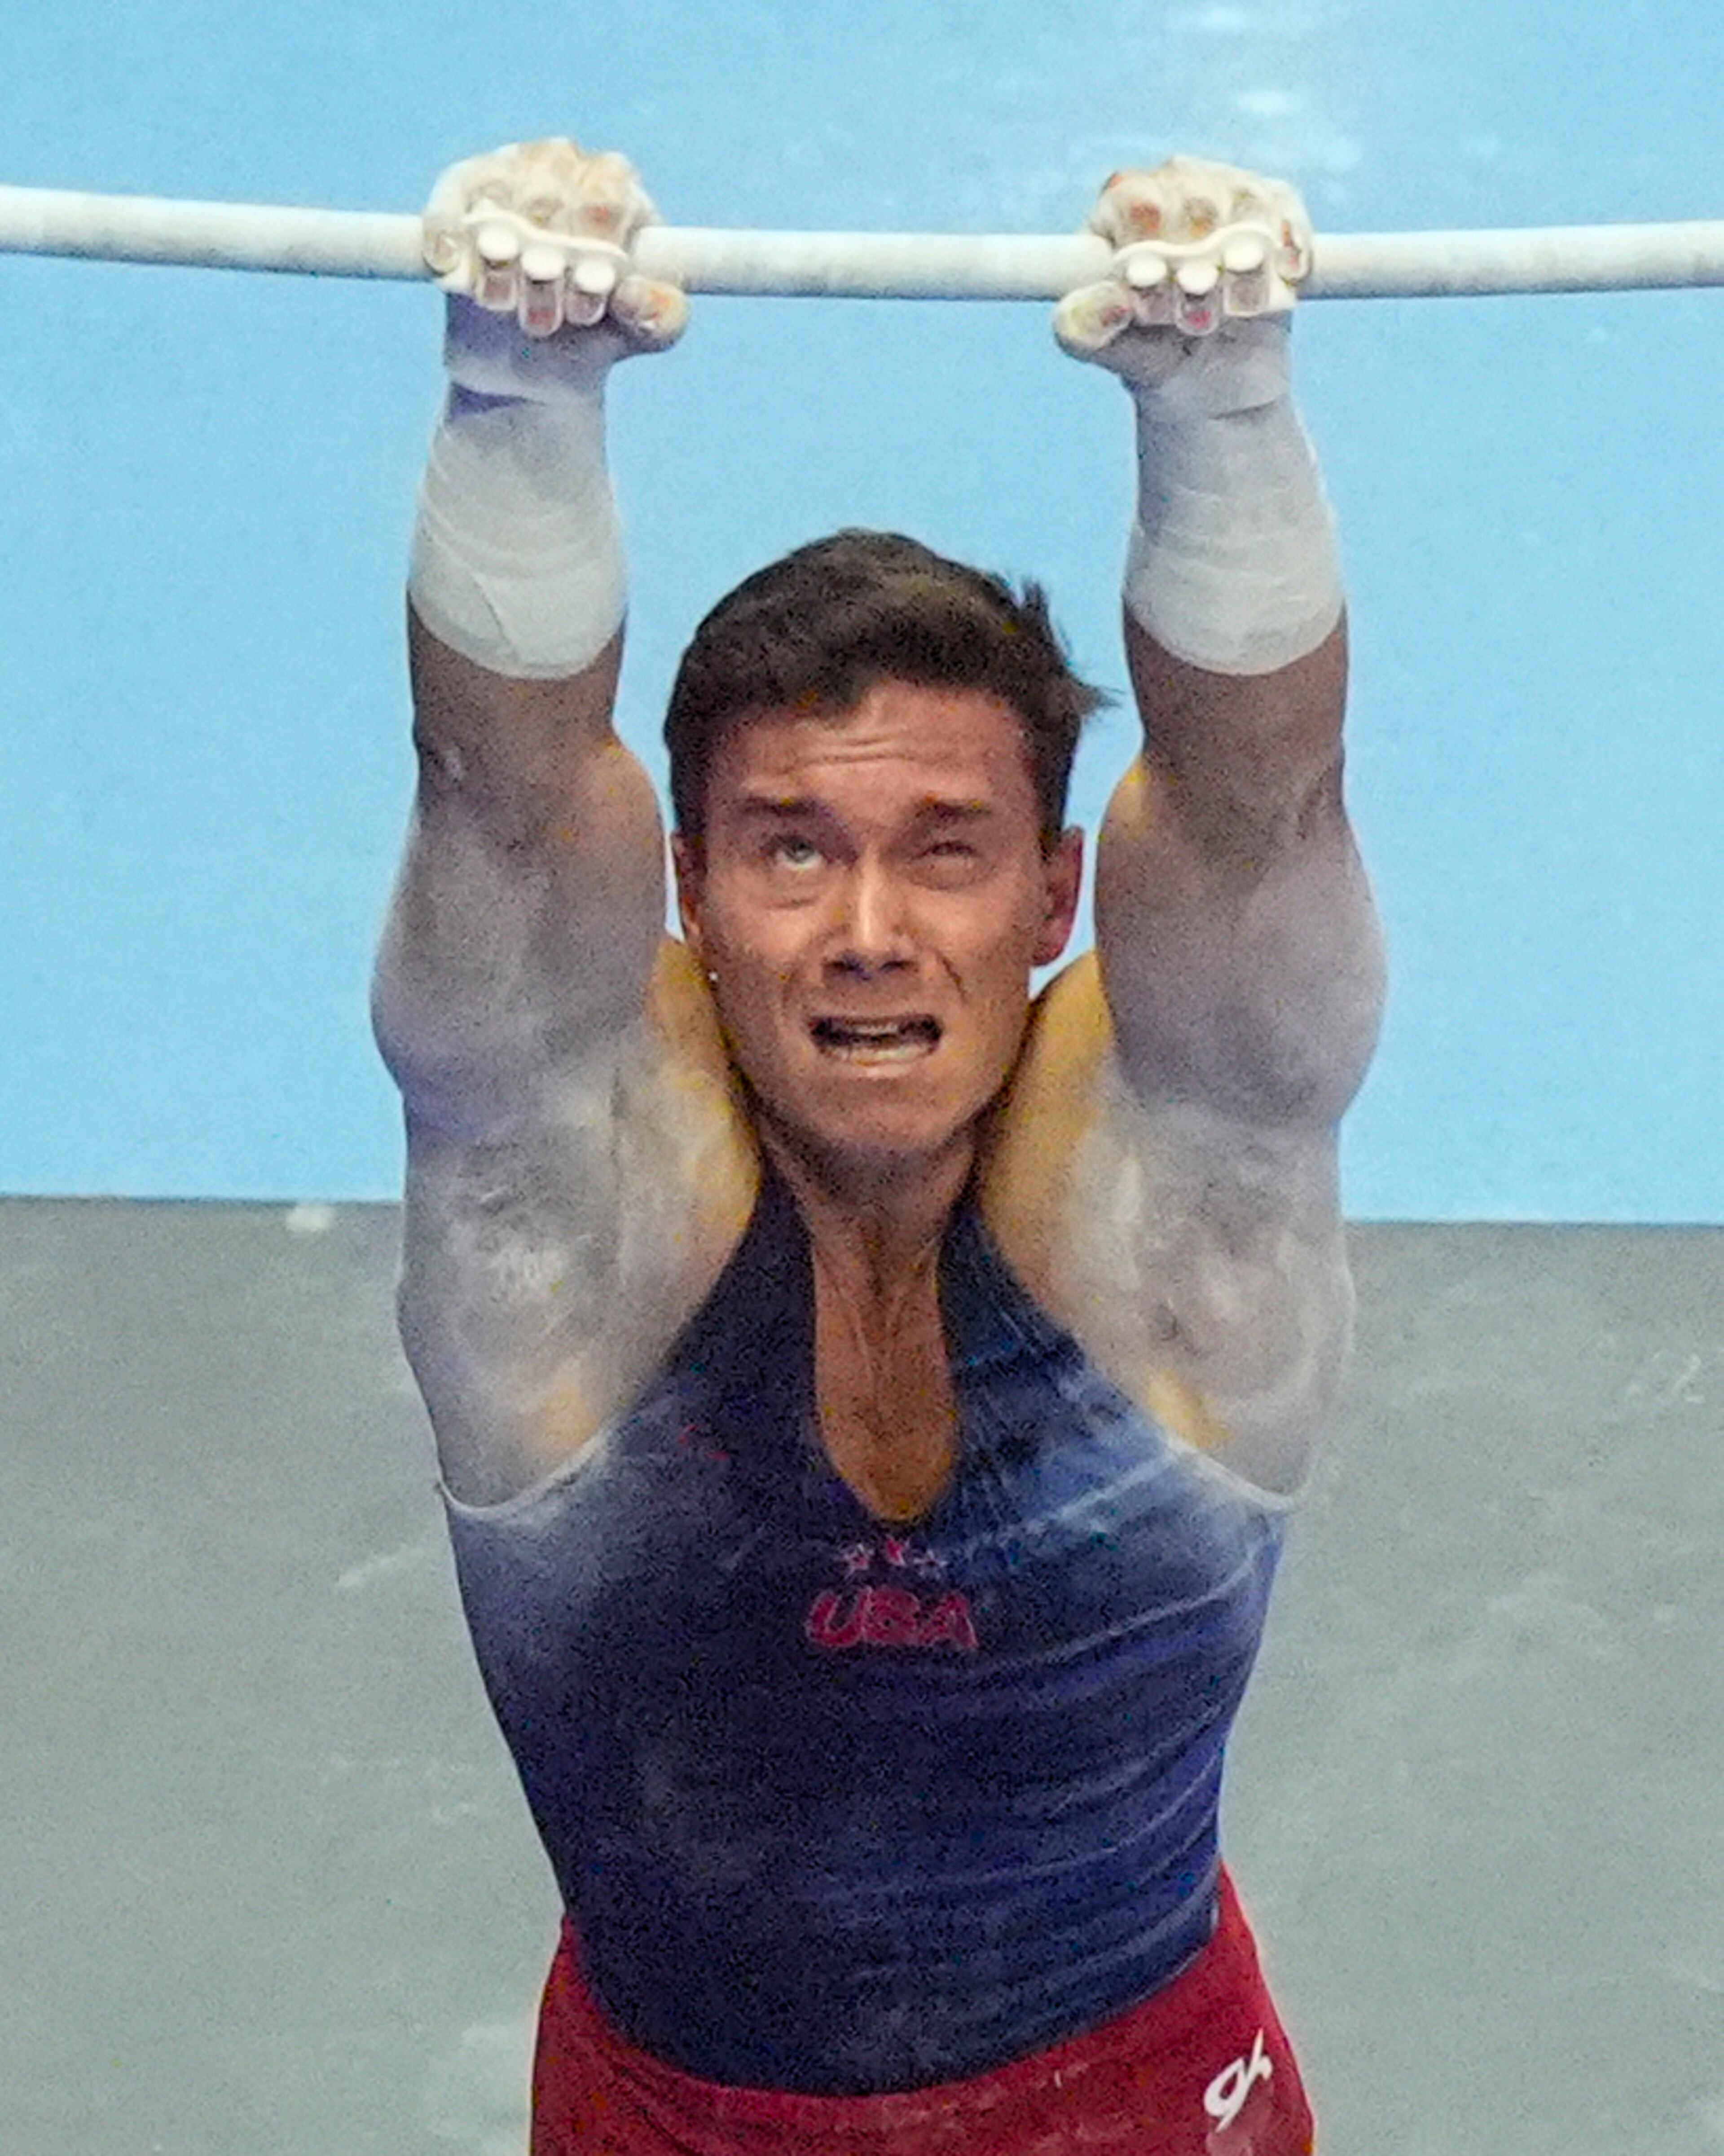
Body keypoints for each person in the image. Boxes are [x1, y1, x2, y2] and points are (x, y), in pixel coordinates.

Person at [373, 136, 1385, 2155]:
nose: (864, 933)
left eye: (945, 852)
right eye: (789, 850)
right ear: (688, 882)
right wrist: (518, 388)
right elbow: (494, 802)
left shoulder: (1165, 1214)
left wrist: (1224, 398)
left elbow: (1263, 808)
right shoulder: (581, 1215)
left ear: (1052, 898)